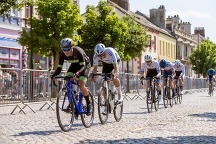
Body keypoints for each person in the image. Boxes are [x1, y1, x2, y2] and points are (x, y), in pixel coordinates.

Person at [51, 38, 92, 115]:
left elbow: (83, 67)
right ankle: (73, 100)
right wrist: (54, 74)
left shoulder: (78, 52)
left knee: (81, 84)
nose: (66, 51)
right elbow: (59, 68)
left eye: (68, 49)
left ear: (72, 47)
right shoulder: (62, 55)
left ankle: (88, 103)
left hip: (84, 66)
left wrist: (77, 74)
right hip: (74, 65)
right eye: (64, 49)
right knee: (67, 80)